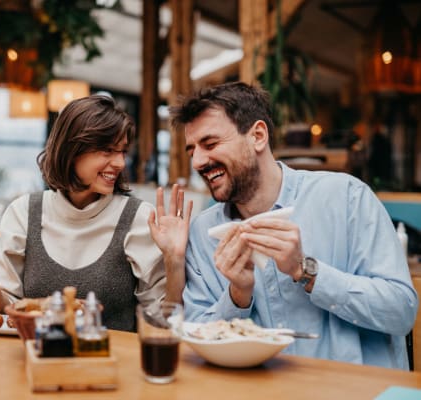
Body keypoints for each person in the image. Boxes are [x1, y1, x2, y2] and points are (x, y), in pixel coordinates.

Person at [157, 81, 418, 370]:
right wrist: (238, 296)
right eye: (192, 150)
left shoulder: (347, 197)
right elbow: (196, 334)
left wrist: (305, 270)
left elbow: (401, 311)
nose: (198, 162)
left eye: (210, 144)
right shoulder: (202, 233)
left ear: (257, 136)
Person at [0, 95, 187, 332]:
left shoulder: (139, 217)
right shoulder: (24, 212)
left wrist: (174, 261)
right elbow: (1, 314)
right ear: (71, 150)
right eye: (107, 151)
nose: (120, 163)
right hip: (32, 361)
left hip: (112, 365)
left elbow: (162, 320)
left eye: (122, 151)